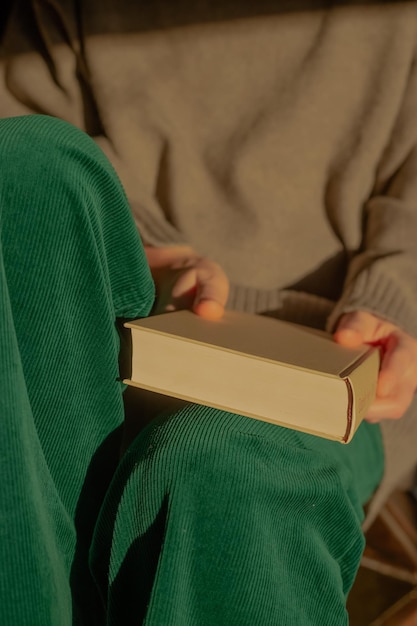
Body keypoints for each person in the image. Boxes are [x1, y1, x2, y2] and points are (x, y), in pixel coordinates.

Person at [1, 1, 417, 624]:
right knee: (26, 162)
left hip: (332, 350)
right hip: (128, 321)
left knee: (222, 458)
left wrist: (394, 299)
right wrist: (142, 248)